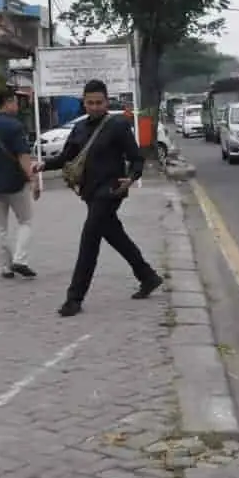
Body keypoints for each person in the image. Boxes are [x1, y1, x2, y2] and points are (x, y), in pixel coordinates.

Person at [57, 80, 162, 317]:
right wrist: (42, 165)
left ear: (107, 102)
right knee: (114, 234)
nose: (94, 107)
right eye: (90, 103)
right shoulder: (79, 129)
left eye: (99, 102)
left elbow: (136, 158)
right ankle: (148, 276)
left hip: (111, 191)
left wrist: (132, 177)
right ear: (83, 103)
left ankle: (74, 298)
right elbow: (66, 157)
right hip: (89, 192)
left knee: (89, 239)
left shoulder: (117, 125)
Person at [0, 89, 41, 279]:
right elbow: (23, 156)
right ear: (8, 102)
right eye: (16, 102)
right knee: (26, 221)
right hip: (15, 183)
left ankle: (5, 266)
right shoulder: (16, 127)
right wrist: (33, 179)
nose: (17, 106)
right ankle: (20, 259)